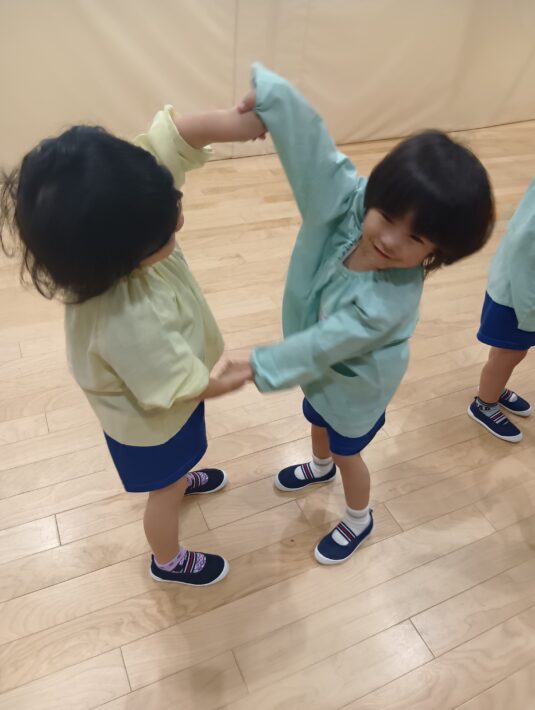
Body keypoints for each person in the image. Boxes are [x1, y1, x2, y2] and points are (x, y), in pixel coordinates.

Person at [230, 64, 495, 565]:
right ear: (376, 198)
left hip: (355, 388)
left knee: (348, 450)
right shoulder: (350, 205)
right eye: (388, 217)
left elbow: (327, 341)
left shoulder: (387, 303)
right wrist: (276, 102)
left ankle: (359, 517)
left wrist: (256, 366)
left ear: (437, 252)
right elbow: (318, 159)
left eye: (415, 237)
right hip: (319, 374)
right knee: (315, 418)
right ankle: (319, 466)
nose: (390, 240)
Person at [0, 102, 264, 586]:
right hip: (151, 425)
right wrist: (236, 377)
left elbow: (171, 139)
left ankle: (181, 476)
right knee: (163, 491)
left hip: (168, 405)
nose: (178, 216)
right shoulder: (125, 319)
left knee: (178, 467)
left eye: (172, 201)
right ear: (120, 258)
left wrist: (237, 123)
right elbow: (178, 384)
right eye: (167, 224)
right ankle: (168, 559)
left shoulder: (125, 203)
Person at [468, 178, 535, 442]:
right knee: (511, 352)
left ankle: (493, 388)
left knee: (505, 352)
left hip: (515, 285)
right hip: (520, 295)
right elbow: (524, 246)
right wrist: (528, 309)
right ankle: (484, 405)